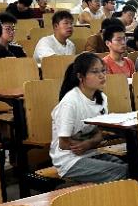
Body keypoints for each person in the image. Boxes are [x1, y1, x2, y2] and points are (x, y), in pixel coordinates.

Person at [50, 53, 128, 183]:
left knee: (134, 169)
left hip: (93, 153)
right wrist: (89, 143)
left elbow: (100, 132)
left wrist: (90, 143)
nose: (102, 75)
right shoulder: (70, 103)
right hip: (69, 161)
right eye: (95, 72)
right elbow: (63, 143)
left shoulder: (102, 98)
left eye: (103, 71)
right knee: (123, 172)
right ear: (80, 76)